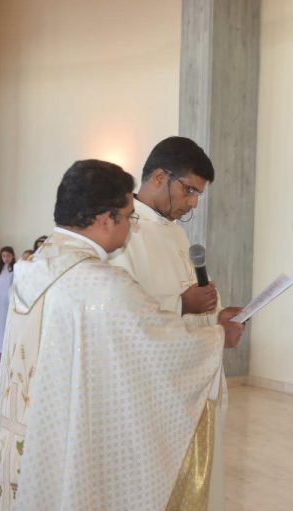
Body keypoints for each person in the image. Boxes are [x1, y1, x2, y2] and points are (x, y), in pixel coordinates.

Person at [0, 160, 244, 510]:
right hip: (65, 440)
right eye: (129, 216)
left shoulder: (33, 266)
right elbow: (159, 345)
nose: (131, 226)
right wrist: (219, 336)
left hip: (28, 435)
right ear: (104, 219)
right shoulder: (100, 286)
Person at [108, 136, 231, 509]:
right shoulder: (124, 232)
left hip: (189, 387)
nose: (193, 203)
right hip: (149, 399)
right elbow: (120, 312)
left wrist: (218, 317)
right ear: (160, 177)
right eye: (189, 190)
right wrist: (181, 305)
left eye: (198, 195)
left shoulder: (175, 232)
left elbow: (190, 296)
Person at [0, 247, 15, 362]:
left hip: (7, 300)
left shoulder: (15, 269)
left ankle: (5, 348)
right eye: (3, 256)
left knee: (5, 323)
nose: (6, 258)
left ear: (13, 256)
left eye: (8, 255)